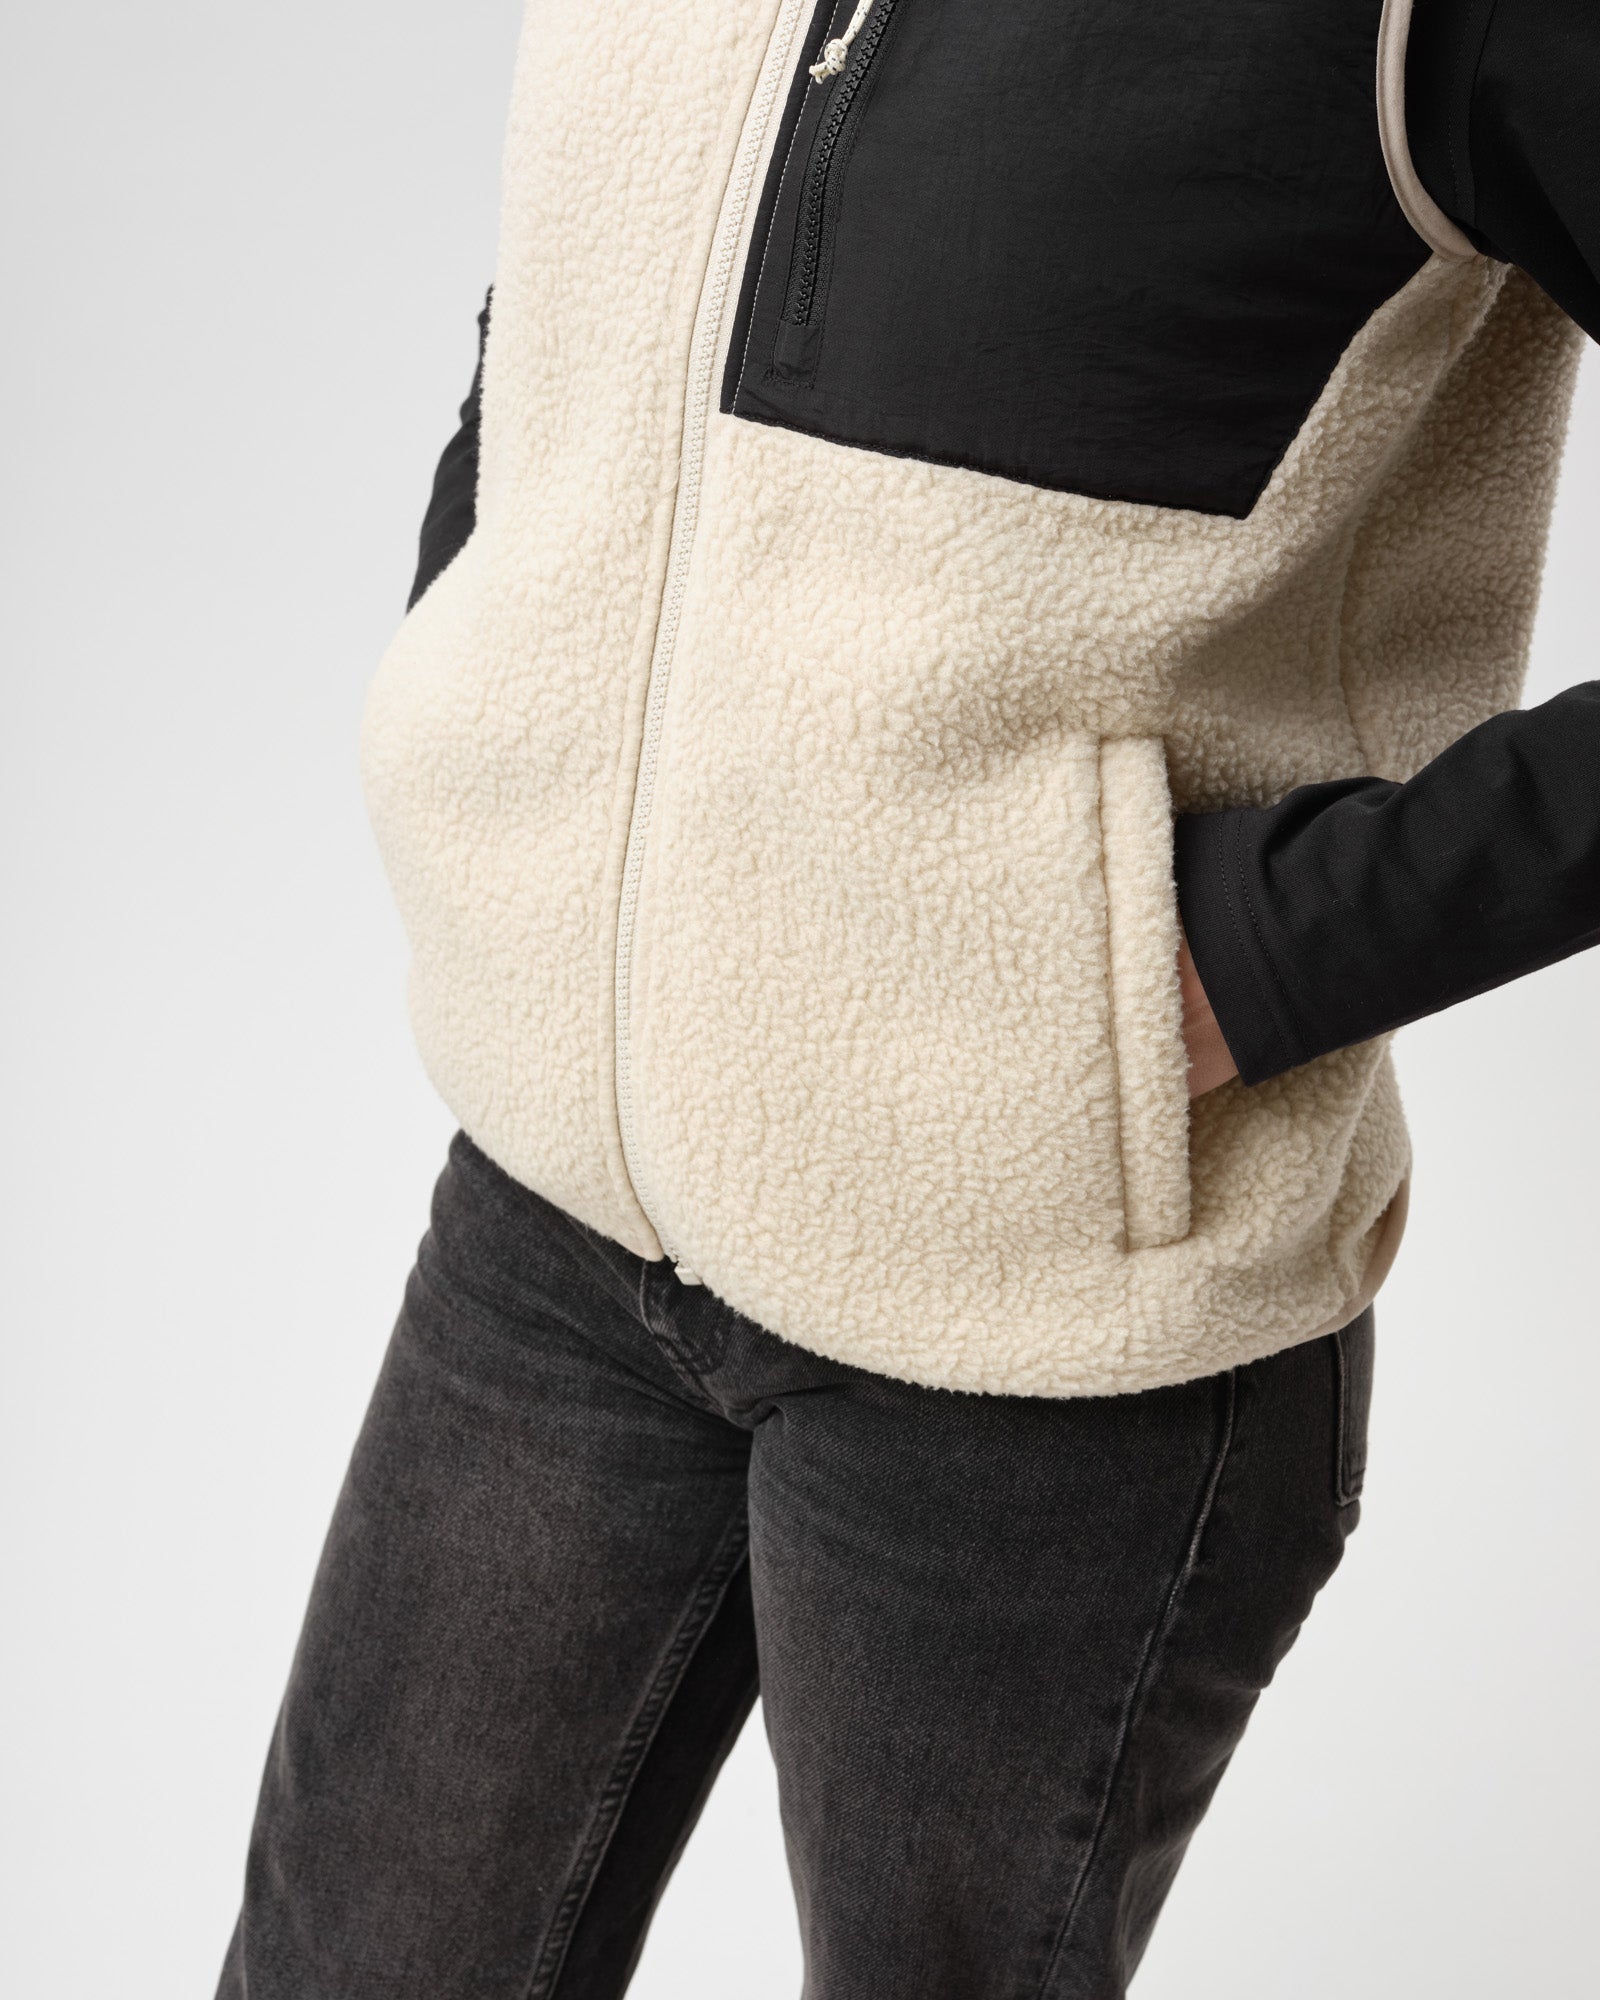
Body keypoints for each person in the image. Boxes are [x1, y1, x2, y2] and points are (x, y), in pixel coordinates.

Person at [216, 1, 1600, 1992]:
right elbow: (602, 284)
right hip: (550, 1200)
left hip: (1047, 1311)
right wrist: (478, 645)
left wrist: (1249, 952)